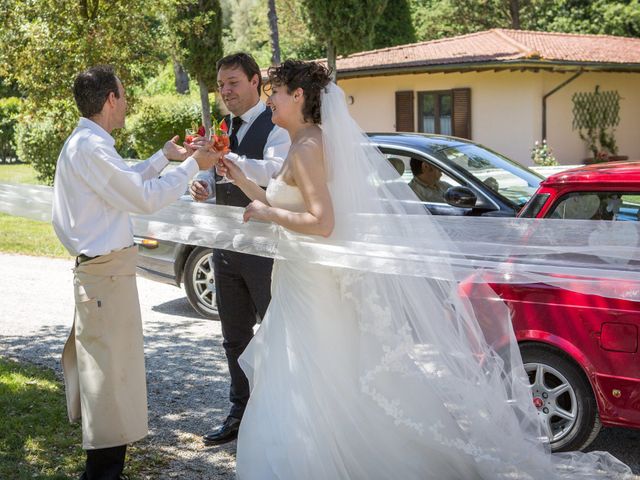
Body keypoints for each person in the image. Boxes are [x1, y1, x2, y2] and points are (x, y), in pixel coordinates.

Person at [219, 60, 632, 479]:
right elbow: (283, 200)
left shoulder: (308, 147)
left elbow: (322, 223)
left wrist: (266, 213)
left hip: (311, 285)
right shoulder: (306, 141)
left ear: (300, 96)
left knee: (313, 373)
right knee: (317, 372)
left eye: (277, 91)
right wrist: (240, 178)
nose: (270, 98)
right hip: (301, 279)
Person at [51, 65, 217, 480]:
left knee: (114, 384)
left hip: (106, 277)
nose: (126, 102)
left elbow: (122, 183)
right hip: (105, 278)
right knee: (109, 389)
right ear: (111, 99)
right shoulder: (90, 148)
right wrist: (195, 164)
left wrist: (164, 157)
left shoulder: (89, 146)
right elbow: (142, 199)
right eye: (123, 95)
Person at [189, 52, 290, 446]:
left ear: (255, 82)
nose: (226, 91)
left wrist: (228, 159)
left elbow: (276, 174)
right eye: (221, 85)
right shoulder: (221, 128)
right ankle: (240, 410)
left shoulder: (276, 125)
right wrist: (200, 186)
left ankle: (279, 412)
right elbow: (214, 179)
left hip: (267, 251)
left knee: (274, 333)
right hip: (225, 248)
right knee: (233, 336)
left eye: (233, 82)